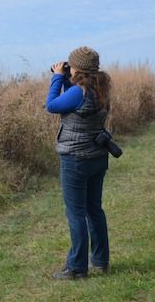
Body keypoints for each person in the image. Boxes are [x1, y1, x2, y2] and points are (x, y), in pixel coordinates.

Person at [46, 46, 112, 280]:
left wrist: (56, 77)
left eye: (70, 66)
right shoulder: (101, 89)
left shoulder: (78, 91)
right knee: (94, 210)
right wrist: (67, 80)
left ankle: (76, 268)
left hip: (75, 159)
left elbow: (52, 105)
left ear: (77, 69)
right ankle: (101, 261)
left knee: (76, 213)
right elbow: (74, 105)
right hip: (97, 157)